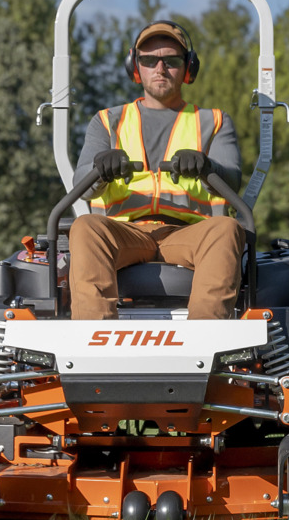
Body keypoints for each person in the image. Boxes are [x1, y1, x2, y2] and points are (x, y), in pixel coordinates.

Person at [71, 20, 244, 320]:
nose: (160, 68)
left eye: (171, 61)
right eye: (149, 60)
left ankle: (205, 341)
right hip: (124, 233)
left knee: (228, 228)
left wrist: (207, 167)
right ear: (135, 68)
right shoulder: (107, 121)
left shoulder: (214, 121)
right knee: (85, 227)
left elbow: (232, 180)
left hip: (190, 232)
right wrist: (101, 167)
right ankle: (93, 340)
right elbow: (81, 186)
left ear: (188, 68)